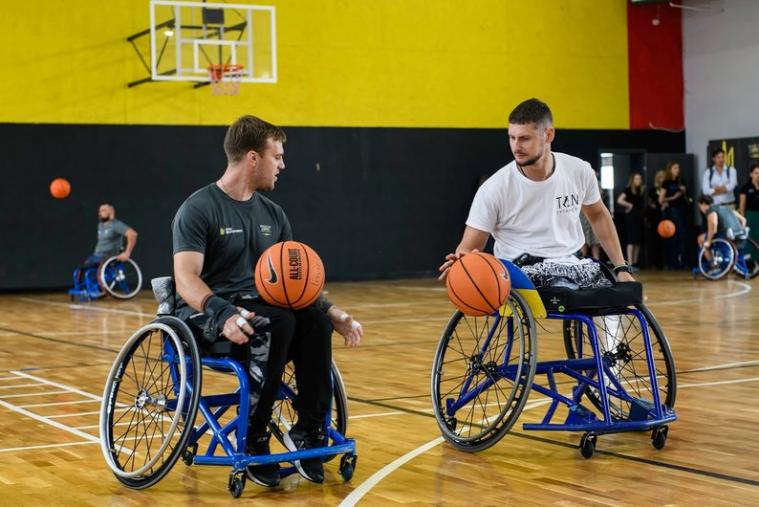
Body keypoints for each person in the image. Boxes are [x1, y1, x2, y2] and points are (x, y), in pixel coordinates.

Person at [171, 115, 363, 488]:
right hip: (208, 318)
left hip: (264, 312)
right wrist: (222, 312)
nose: (283, 164)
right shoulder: (198, 209)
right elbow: (185, 279)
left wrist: (333, 311)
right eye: (277, 156)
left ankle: (309, 430)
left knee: (311, 321)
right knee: (279, 322)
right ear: (253, 158)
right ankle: (255, 437)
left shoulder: (273, 215)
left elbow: (297, 286)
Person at [438, 98, 634, 287]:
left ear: (548, 135)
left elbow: (598, 215)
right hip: (519, 270)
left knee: (618, 295)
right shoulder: (495, 188)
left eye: (524, 138)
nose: (516, 146)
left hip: (572, 264)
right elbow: (469, 246)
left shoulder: (579, 171)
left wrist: (621, 267)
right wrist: (461, 261)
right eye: (512, 138)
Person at [76, 203, 138, 292]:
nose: (100, 213)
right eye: (99, 211)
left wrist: (127, 252)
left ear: (111, 211)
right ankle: (81, 290)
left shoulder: (116, 225)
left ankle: (102, 290)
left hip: (109, 256)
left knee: (100, 271)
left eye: (103, 210)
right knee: (80, 270)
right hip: (96, 256)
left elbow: (133, 234)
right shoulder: (101, 225)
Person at [697, 194, 748, 268]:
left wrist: (708, 241)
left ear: (703, 204)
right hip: (737, 234)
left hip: (725, 235)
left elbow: (713, 225)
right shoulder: (726, 207)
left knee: (700, 239)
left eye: (700, 206)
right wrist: (740, 230)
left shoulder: (710, 210)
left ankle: (714, 265)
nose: (700, 209)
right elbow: (743, 220)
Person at [658, 162, 688, 269]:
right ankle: (672, 262)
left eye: (678, 168)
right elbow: (661, 200)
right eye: (675, 168)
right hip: (672, 211)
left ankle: (682, 261)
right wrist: (673, 197)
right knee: (674, 236)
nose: (677, 170)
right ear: (670, 169)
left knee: (682, 236)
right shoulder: (666, 183)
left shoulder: (681, 181)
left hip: (682, 210)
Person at [616, 173, 645, 270]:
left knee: (637, 241)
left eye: (640, 179)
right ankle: (630, 263)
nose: (638, 180)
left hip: (639, 216)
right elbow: (619, 200)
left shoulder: (640, 190)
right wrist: (629, 205)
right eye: (636, 179)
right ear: (632, 180)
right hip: (631, 217)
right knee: (631, 240)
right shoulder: (628, 190)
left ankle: (635, 263)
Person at [738, 162, 759, 259]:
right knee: (751, 238)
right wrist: (743, 219)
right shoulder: (746, 188)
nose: (758, 175)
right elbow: (742, 206)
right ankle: (750, 262)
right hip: (750, 216)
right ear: (751, 174)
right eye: (756, 173)